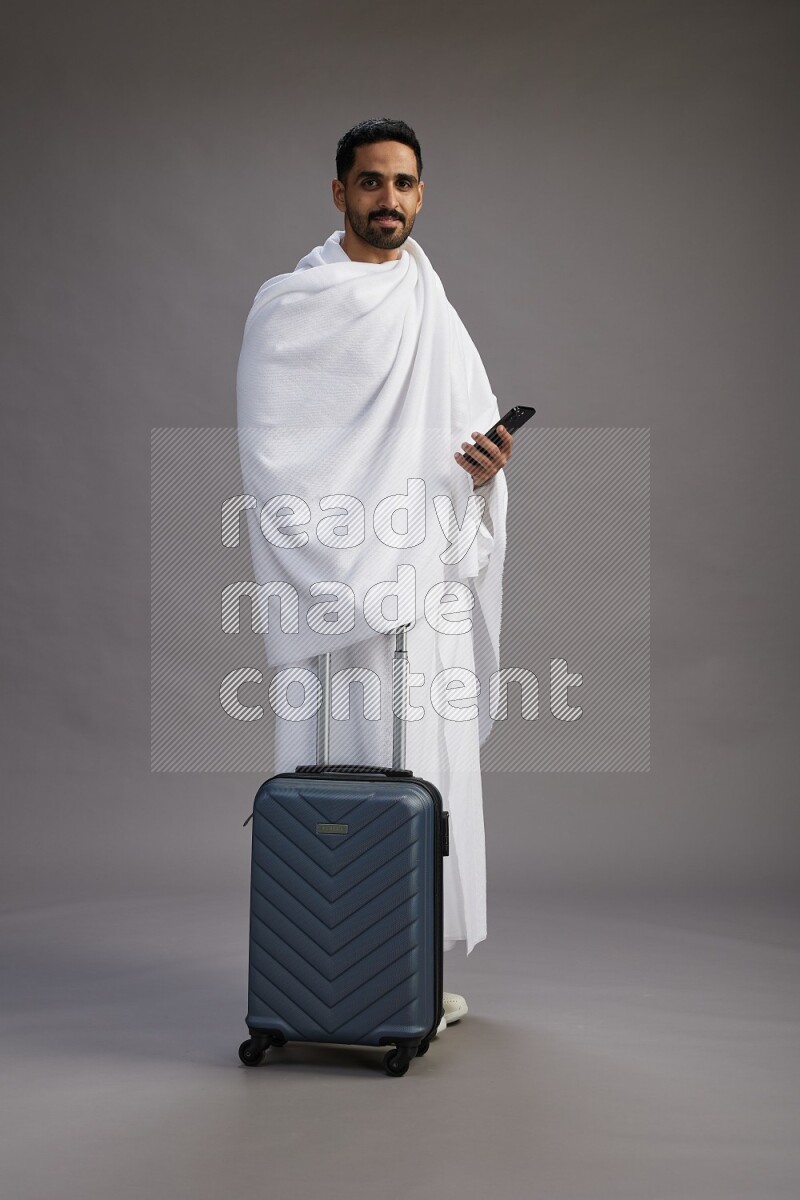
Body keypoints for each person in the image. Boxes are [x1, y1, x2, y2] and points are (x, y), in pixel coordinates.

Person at [237, 118, 512, 1036]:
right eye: (369, 183)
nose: (386, 200)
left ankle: (403, 975)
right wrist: (346, 563)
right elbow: (275, 455)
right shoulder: (290, 307)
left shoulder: (435, 306)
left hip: (417, 585)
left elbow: (464, 437)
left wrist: (483, 472)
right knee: (332, 768)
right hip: (332, 595)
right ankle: (319, 975)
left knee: (417, 769)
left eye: (402, 184)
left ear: (420, 194)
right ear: (339, 193)